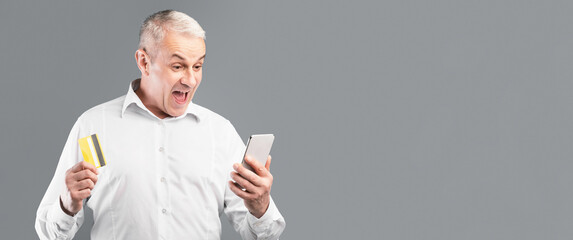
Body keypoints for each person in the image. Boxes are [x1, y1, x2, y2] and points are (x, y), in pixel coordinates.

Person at [35, 10, 285, 240]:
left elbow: (263, 235)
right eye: (178, 66)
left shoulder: (218, 133)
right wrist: (67, 205)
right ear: (144, 62)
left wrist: (260, 206)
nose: (190, 80)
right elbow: (51, 235)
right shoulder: (95, 128)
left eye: (198, 66)